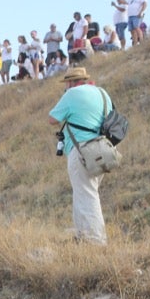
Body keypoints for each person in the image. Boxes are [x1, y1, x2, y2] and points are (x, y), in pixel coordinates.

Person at [48, 66, 112, 245]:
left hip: (81, 149)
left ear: (70, 82)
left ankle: (95, 241)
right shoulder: (101, 92)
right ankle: (82, 235)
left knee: (86, 194)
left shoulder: (71, 94)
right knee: (85, 192)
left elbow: (52, 119)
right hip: (102, 149)